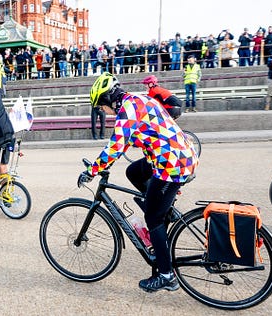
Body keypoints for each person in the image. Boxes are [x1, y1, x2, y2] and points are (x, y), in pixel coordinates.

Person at [78, 72, 198, 292]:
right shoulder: (138, 99)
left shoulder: (126, 113)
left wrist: (91, 171)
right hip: (176, 155)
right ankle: (161, 205)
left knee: (152, 218)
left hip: (172, 164)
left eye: (100, 106)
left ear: (107, 100)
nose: (102, 111)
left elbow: (115, 147)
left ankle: (166, 275)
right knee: (133, 171)